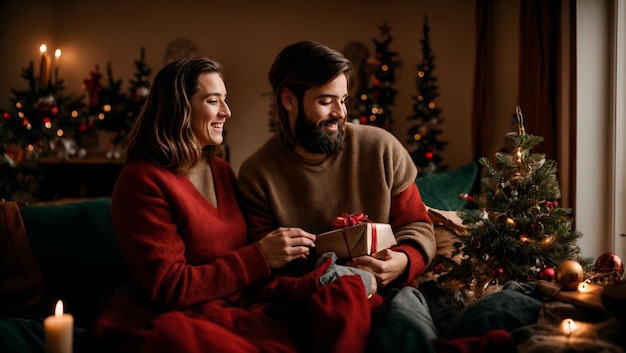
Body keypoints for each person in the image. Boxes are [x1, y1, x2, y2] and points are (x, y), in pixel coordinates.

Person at [90, 56, 375, 353]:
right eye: (214, 101)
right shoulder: (142, 181)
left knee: (343, 295)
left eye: (225, 100)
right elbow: (170, 286)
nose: (227, 112)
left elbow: (254, 253)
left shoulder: (221, 170)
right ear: (180, 108)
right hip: (194, 315)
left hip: (246, 305)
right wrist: (260, 257)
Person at [237, 40, 439, 353]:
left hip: (391, 292)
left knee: (408, 334)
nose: (340, 113)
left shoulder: (381, 147)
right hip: (313, 298)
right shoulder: (257, 175)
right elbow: (268, 270)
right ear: (288, 99)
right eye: (326, 101)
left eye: (343, 100)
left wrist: (402, 261)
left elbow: (418, 226)